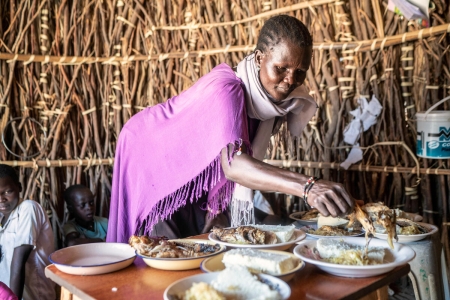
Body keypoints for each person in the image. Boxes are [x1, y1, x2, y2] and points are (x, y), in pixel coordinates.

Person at [107, 15, 355, 243]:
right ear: (259, 58)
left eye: (299, 72)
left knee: (199, 243)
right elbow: (235, 164)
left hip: (193, 167)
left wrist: (218, 210)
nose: (290, 80)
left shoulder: (273, 106)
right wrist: (308, 186)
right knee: (163, 252)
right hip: (150, 151)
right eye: (281, 68)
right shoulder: (226, 90)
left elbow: (222, 159)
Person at [0, 164, 55, 300]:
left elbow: (18, 260)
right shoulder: (2, 219)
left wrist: (12, 298)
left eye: (7, 192)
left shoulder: (28, 209)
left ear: (19, 187)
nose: (1, 199)